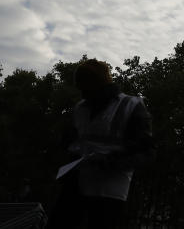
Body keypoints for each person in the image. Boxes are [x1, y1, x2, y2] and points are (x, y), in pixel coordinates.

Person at [49, 59, 153, 229]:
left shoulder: (131, 105)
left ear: (98, 84)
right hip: (76, 185)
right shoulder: (81, 108)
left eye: (86, 87)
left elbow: (146, 153)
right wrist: (67, 143)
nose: (82, 93)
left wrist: (111, 162)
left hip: (109, 191)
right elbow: (76, 144)